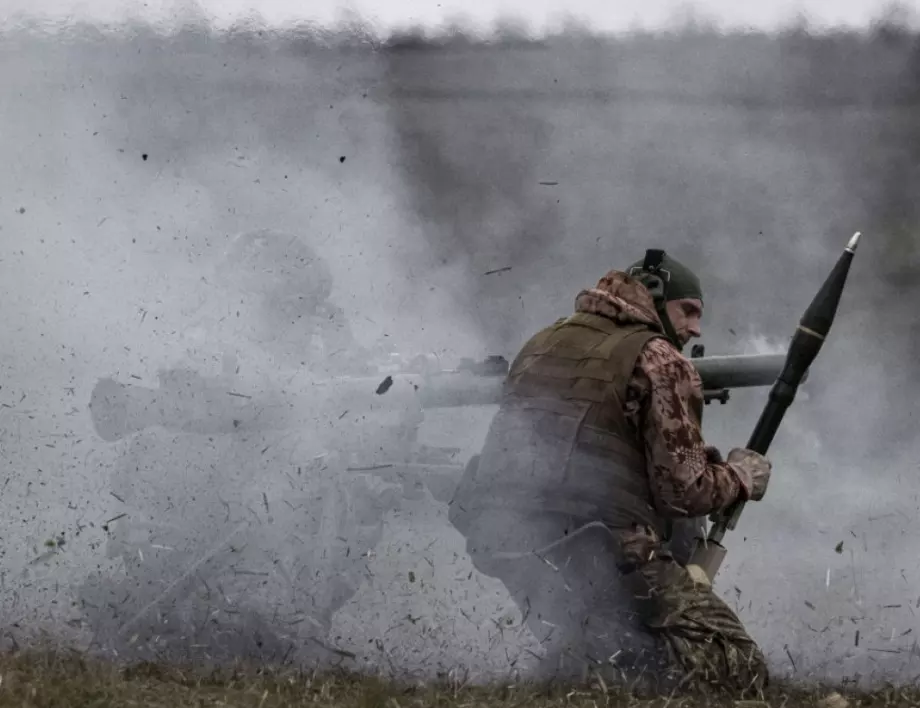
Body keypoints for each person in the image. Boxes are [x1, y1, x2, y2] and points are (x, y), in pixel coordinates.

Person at [448, 250, 772, 694]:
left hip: (516, 548)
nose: (695, 328)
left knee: (606, 638)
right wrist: (739, 475)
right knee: (740, 668)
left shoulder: (542, 341)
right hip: (604, 552)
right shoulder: (660, 359)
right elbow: (684, 493)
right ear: (655, 299)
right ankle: (615, 668)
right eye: (689, 311)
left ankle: (589, 653)